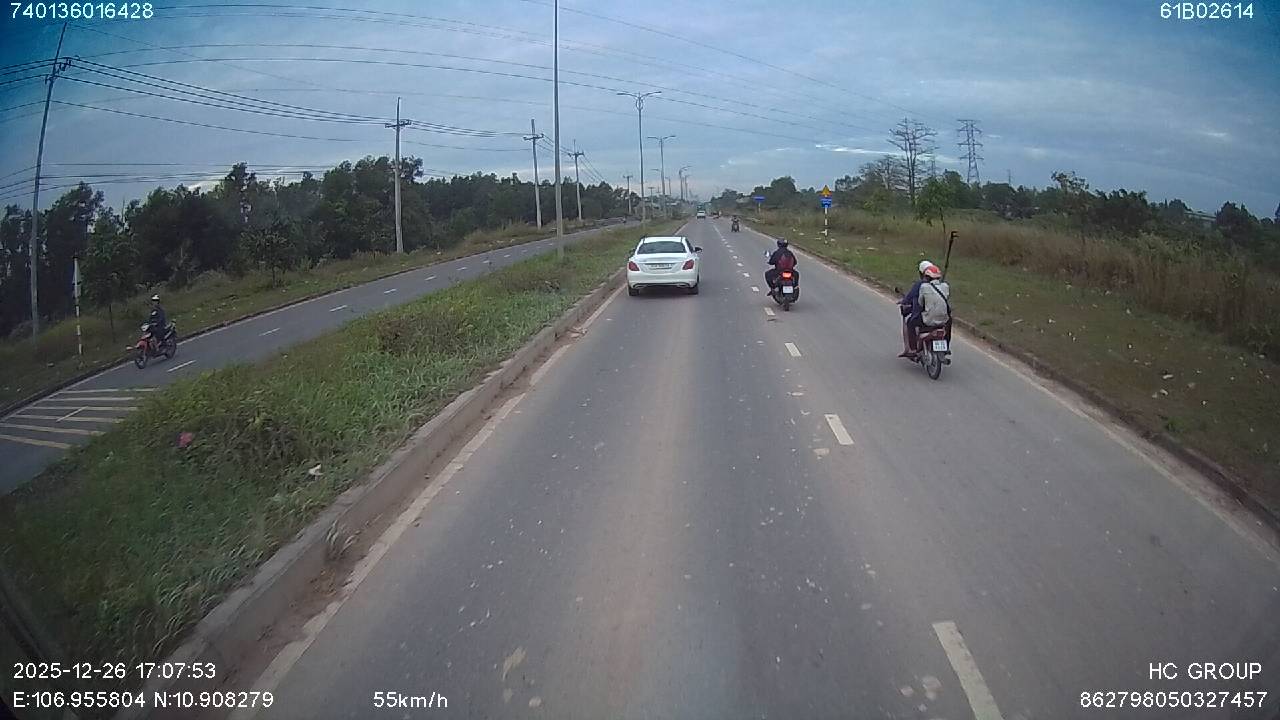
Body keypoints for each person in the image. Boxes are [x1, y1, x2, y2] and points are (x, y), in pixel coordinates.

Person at [899, 261, 951, 358]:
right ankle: (946, 346)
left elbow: (919, 302)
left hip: (928, 318)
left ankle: (913, 349)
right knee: (948, 324)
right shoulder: (945, 286)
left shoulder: (922, 286)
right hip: (944, 319)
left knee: (910, 322)